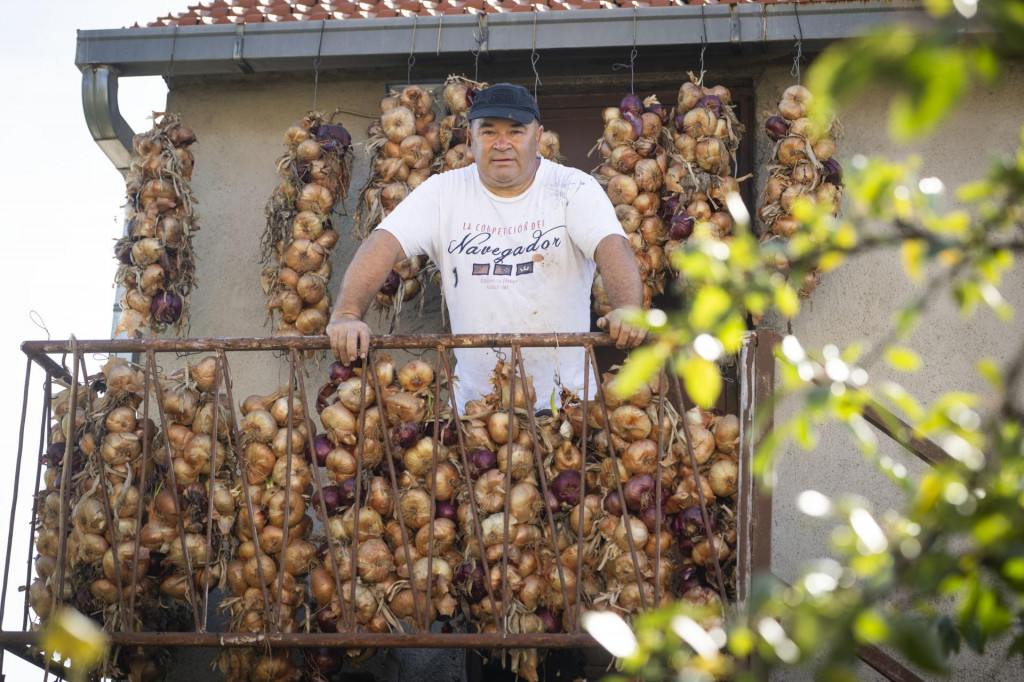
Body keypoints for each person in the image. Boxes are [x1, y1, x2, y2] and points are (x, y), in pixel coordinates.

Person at [327, 82, 645, 407]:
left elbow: (611, 245)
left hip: (567, 409)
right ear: (471, 139)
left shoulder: (572, 187)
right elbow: (383, 243)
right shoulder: (443, 192)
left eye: (516, 132)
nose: (502, 144)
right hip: (475, 415)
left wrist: (628, 309)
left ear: (538, 137)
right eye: (489, 132)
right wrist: (347, 314)